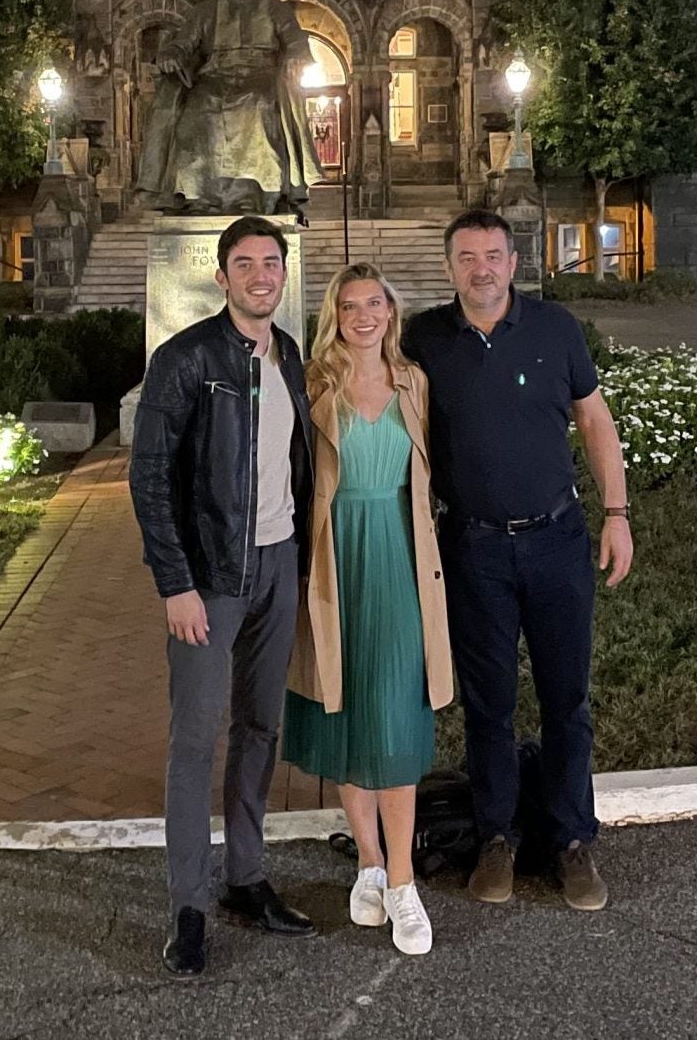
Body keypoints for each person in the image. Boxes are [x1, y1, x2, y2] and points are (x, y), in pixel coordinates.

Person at [404, 208, 633, 914]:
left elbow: (595, 420)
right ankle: (496, 836)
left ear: (514, 261)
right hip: (471, 548)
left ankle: (571, 842)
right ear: (450, 267)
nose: (482, 267)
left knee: (568, 700)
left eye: (494, 255)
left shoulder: (555, 330)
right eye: (468, 256)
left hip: (556, 541)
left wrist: (617, 515)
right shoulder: (421, 341)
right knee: (489, 705)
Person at [129, 216, 316, 980]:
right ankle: (188, 906)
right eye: (246, 265)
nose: (261, 275)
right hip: (209, 577)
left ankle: (245, 877)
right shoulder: (186, 359)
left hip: (278, 564)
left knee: (260, 727)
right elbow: (149, 479)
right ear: (223, 276)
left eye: (272, 263)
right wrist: (175, 583)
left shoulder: (289, 354)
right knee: (195, 740)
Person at [284, 263, 454, 958]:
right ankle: (370, 863)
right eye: (349, 305)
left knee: (393, 710)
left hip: (400, 556)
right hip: (333, 559)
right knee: (350, 708)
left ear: (392, 310)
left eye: (374, 303)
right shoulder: (314, 386)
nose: (363, 316)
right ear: (335, 314)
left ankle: (405, 884)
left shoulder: (414, 383)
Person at [135, 0, 322, 217]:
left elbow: (296, 43)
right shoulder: (205, 11)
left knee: (256, 106)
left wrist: (295, 58)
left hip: (262, 75)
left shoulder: (276, 9)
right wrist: (171, 52)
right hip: (214, 76)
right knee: (197, 110)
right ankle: (197, 194)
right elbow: (184, 42)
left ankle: (255, 193)